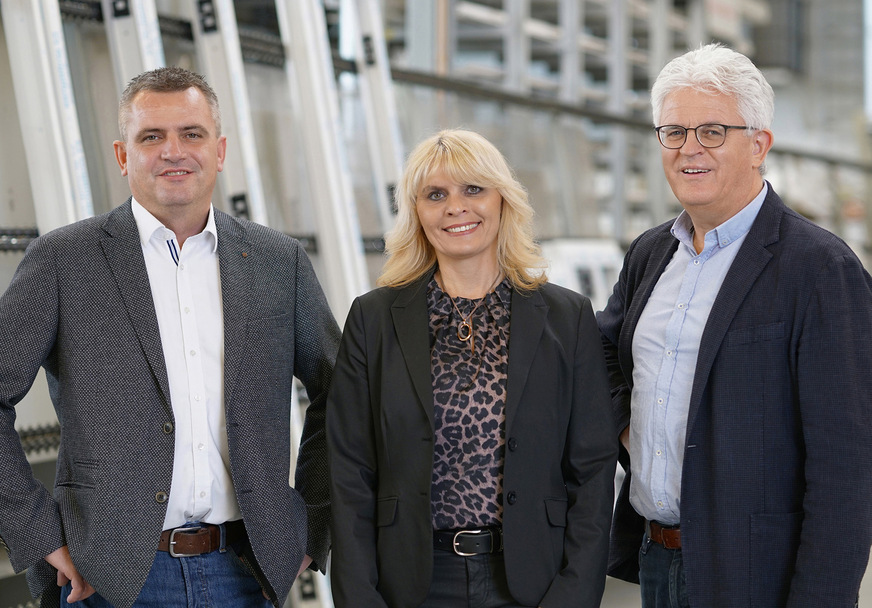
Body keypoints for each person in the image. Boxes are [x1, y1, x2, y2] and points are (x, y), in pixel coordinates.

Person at [0, 67, 340, 608]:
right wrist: (36, 534)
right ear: (122, 155)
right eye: (151, 137)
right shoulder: (64, 261)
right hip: (106, 577)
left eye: (192, 134)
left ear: (220, 150)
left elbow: (339, 391)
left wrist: (311, 522)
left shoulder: (279, 262)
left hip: (244, 573)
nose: (172, 151)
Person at [598, 43, 872, 607]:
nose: (689, 148)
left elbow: (847, 469)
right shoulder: (651, 253)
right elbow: (599, 354)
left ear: (759, 145)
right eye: (673, 132)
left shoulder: (820, 268)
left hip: (759, 575)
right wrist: (632, 430)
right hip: (657, 559)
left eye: (712, 131)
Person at [326, 128, 618, 608]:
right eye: (435, 195)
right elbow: (349, 470)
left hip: (534, 583)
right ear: (416, 213)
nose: (455, 207)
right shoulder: (374, 318)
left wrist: (574, 593)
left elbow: (592, 469)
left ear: (503, 200)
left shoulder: (566, 318)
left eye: (473, 189)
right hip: (411, 584)